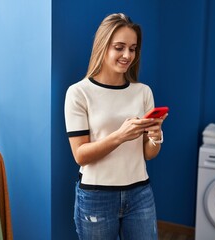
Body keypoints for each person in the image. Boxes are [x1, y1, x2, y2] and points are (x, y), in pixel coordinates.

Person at [64, 13, 168, 240]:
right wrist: (120, 136)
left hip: (140, 192)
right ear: (103, 46)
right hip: (96, 197)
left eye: (133, 48)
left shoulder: (143, 92)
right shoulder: (78, 93)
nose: (127, 55)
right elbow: (80, 155)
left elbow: (149, 155)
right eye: (119, 47)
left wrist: (155, 136)